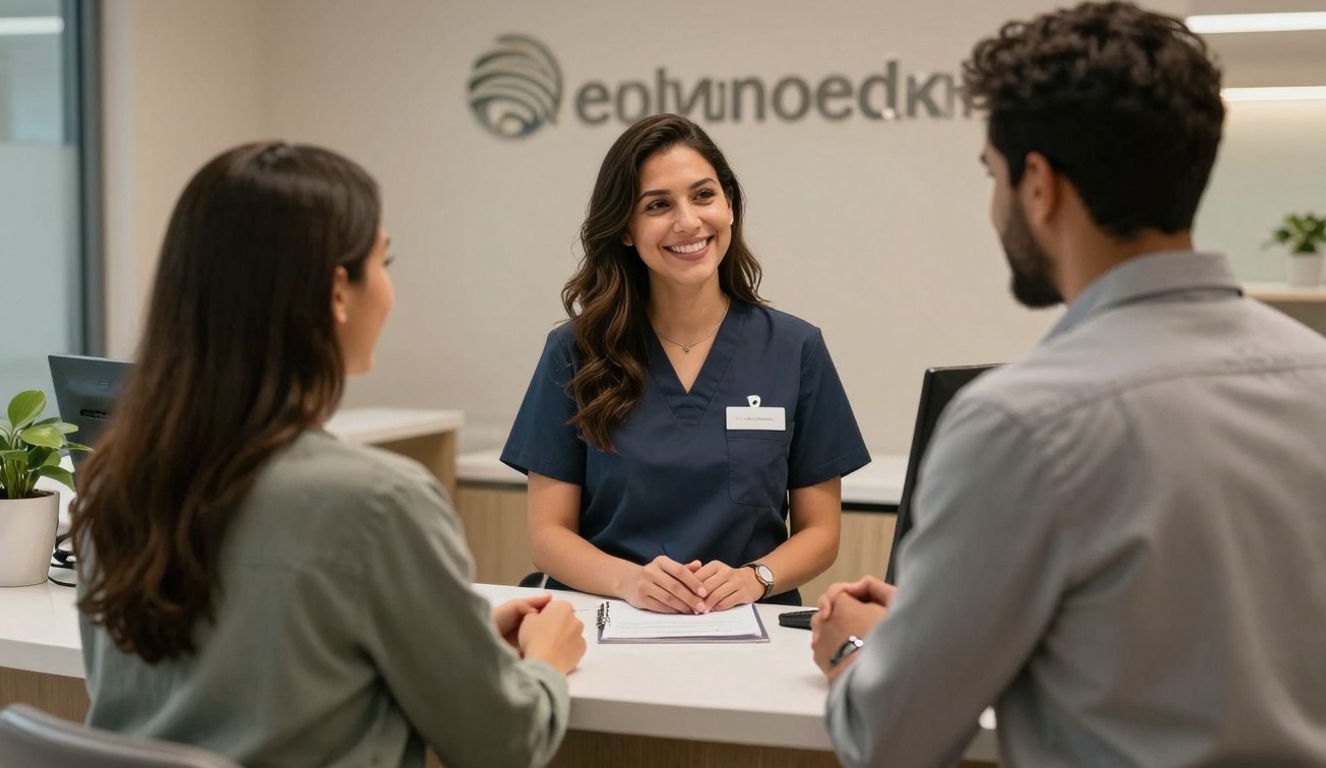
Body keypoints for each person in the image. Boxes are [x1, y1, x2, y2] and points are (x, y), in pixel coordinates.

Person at [815, 3, 1326, 766]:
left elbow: (889, 739)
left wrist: (855, 647)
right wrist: (933, 626)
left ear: (1039, 186)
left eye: (993, 175)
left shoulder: (1019, 426)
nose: (994, 206)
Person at [71, 142, 585, 768]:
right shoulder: (379, 503)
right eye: (384, 262)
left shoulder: (111, 484)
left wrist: (453, 641)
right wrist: (546, 664)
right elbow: (500, 745)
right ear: (339, 290)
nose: (391, 292)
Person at [502, 114, 870, 612]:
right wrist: (630, 582)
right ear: (627, 230)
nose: (688, 222)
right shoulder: (575, 352)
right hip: (610, 618)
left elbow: (821, 532)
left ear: (731, 206)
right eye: (658, 205)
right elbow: (548, 535)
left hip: (750, 624)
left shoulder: (795, 348)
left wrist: (754, 578)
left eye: (703, 195)